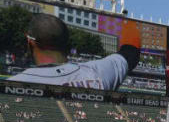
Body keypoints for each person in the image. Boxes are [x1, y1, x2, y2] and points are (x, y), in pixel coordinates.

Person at [8, 13, 141, 90]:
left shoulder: (14, 83)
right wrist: (127, 21)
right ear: (67, 42)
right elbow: (131, 53)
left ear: (30, 41)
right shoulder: (97, 72)